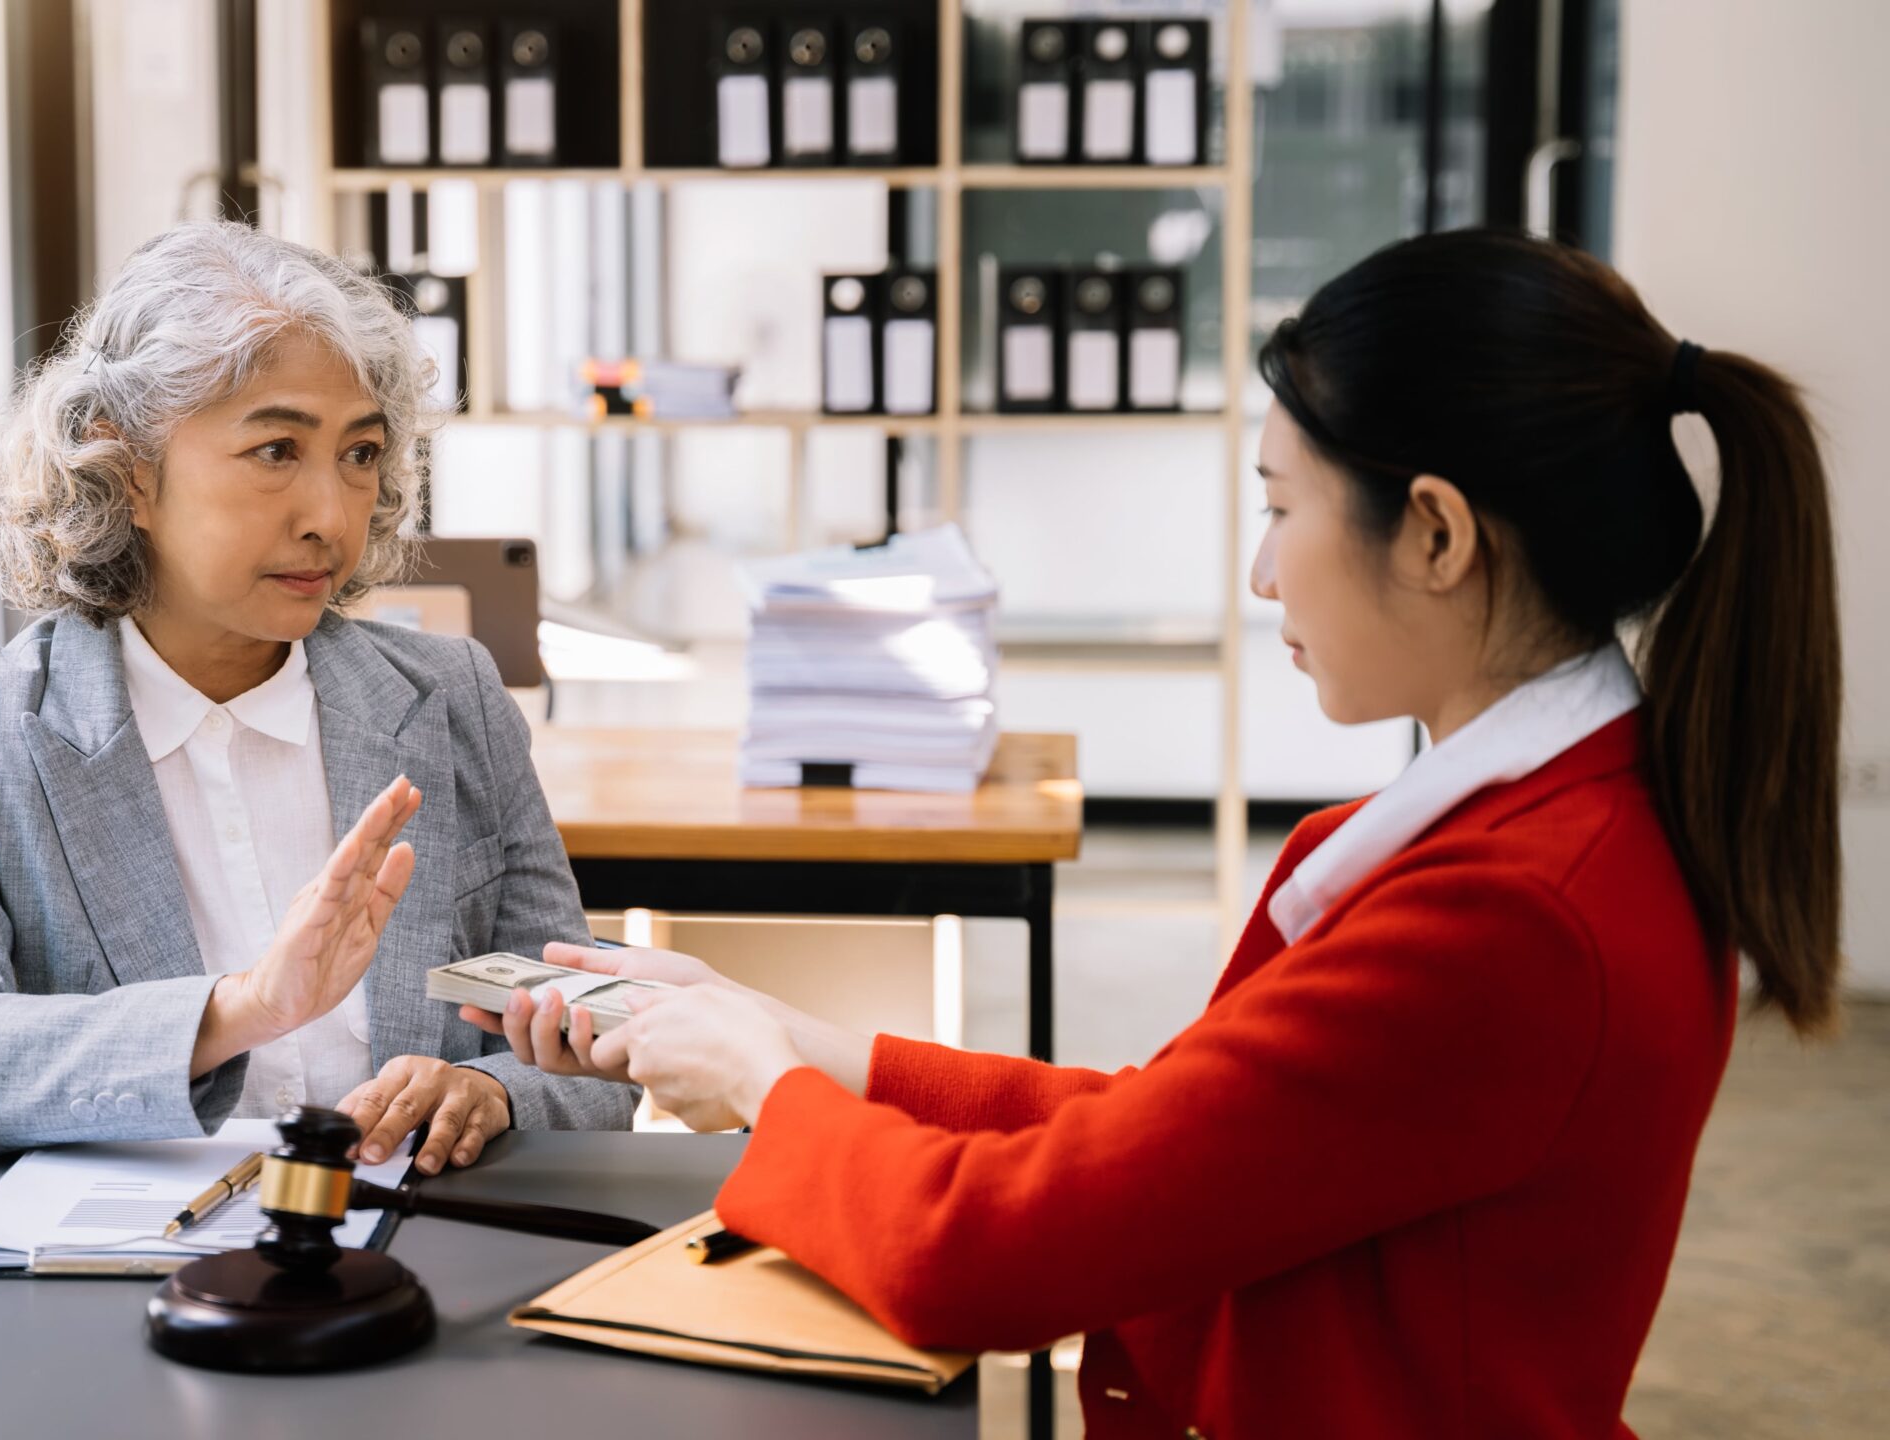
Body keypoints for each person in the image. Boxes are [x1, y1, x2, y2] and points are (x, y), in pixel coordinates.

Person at [481, 230, 1842, 1436]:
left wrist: (759, 1090)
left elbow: (994, 1254)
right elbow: (1174, 1138)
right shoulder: (1560, 831)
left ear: (1433, 532)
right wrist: (785, 1035)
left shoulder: (1510, 916)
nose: (1263, 570)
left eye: (1280, 506)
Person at [0, 220, 635, 1167]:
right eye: (276, 451)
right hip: (119, 1280)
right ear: (126, 468)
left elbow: (592, 1046)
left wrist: (491, 1092)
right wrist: (242, 1010)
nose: (331, 516)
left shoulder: (452, 695)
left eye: (359, 454)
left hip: (423, 1251)